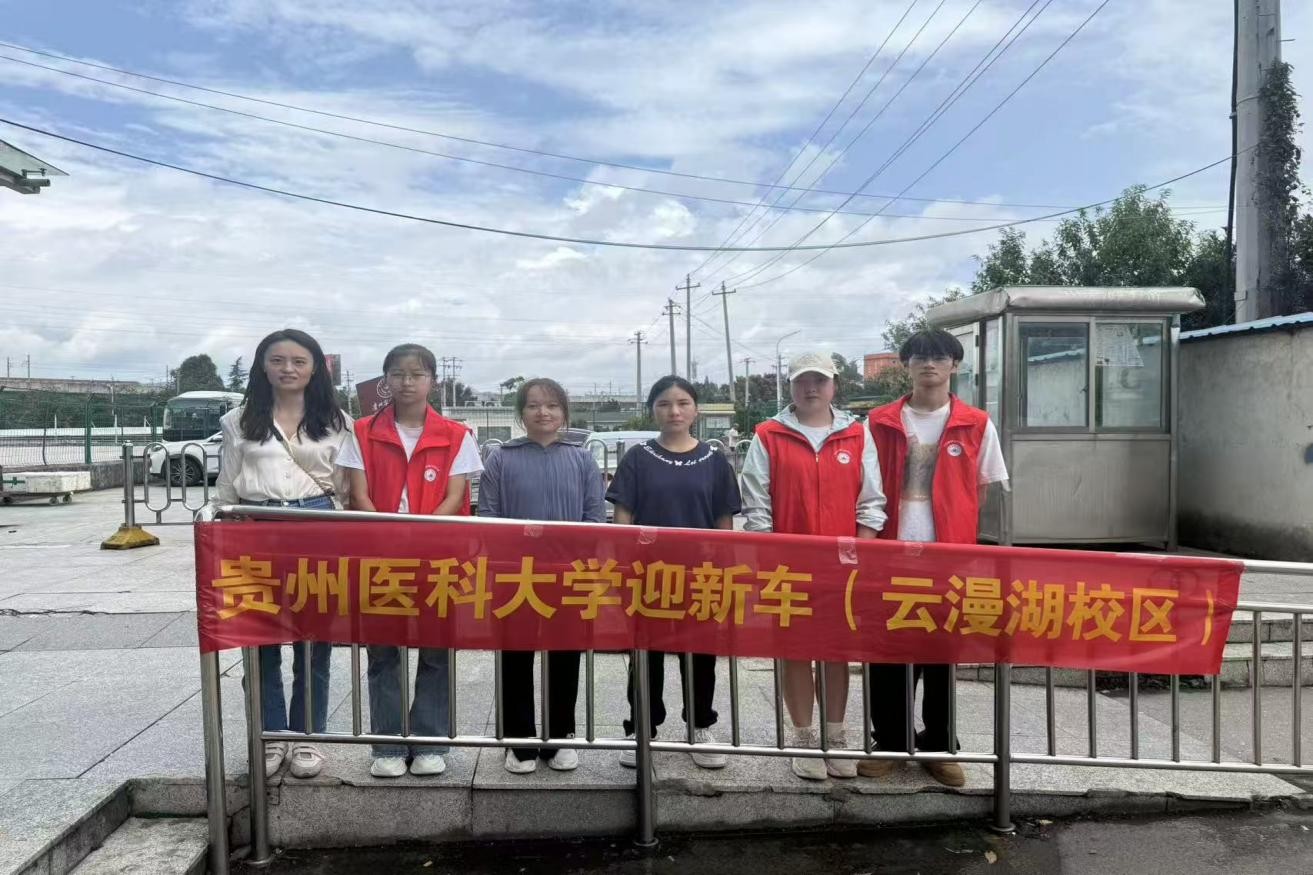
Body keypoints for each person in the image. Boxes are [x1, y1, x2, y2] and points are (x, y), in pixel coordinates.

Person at [863, 329, 1008, 788]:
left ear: (955, 365)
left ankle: (940, 745)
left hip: (949, 559)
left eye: (940, 357)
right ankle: (890, 741)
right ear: (906, 365)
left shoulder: (976, 423)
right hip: (890, 553)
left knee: (942, 652)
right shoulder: (878, 422)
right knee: (887, 651)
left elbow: (982, 488)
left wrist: (960, 536)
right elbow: (865, 485)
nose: (930, 364)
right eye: (920, 357)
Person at [335, 343, 483, 778]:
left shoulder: (456, 435)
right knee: (383, 653)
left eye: (417, 374)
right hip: (379, 556)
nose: (407, 382)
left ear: (432, 381)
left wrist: (418, 537)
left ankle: (430, 742)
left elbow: (455, 497)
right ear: (386, 380)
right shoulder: (362, 431)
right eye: (398, 374)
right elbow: (359, 495)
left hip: (437, 557)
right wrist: (389, 537)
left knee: (436, 652)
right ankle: (386, 746)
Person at [740, 352, 886, 781]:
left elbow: (872, 501)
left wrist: (857, 556)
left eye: (819, 380)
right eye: (802, 381)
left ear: (834, 385)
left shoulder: (857, 435)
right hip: (787, 568)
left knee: (836, 654)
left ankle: (835, 736)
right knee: (796, 652)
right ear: (790, 386)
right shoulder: (768, 435)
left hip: (843, 571)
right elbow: (756, 504)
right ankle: (804, 738)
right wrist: (771, 557)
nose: (811, 388)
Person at [214, 328, 352, 780]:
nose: (288, 369)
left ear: (315, 368)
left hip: (318, 524)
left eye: (298, 361)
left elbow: (346, 489)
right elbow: (228, 484)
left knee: (314, 638)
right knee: (260, 638)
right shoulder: (238, 420)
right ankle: (271, 734)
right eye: (277, 360)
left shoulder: (337, 421)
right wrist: (223, 529)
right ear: (262, 366)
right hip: (256, 525)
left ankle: (309, 734)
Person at [607, 376, 742, 770]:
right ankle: (642, 728)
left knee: (700, 654)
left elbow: (723, 519)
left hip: (701, 575)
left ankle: (700, 725)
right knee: (645, 654)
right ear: (653, 410)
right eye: (664, 404)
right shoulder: (638, 458)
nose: (674, 411)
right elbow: (623, 514)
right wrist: (623, 564)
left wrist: (724, 569)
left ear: (696, 410)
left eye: (683, 403)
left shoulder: (714, 461)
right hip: (647, 574)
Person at [478, 378, 606, 774]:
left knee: (565, 653)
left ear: (564, 412)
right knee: (516, 656)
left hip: (568, 574)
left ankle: (560, 735)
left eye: (551, 405)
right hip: (515, 575)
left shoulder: (582, 459)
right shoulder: (501, 458)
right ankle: (519, 741)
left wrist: (577, 560)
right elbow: (488, 517)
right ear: (521, 413)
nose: (543, 412)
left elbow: (594, 516)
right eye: (533, 405)